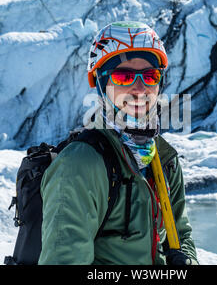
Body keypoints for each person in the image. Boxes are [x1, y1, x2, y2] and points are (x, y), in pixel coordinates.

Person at [38, 21, 198, 265]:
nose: (140, 88)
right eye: (123, 76)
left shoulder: (165, 159)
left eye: (150, 75)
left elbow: (181, 234)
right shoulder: (80, 165)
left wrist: (186, 262)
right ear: (102, 84)